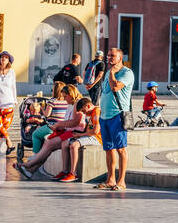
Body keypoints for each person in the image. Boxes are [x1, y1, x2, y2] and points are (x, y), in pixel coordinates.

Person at [16, 92, 91, 181]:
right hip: (68, 131)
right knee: (48, 143)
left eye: (65, 96)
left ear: (71, 94)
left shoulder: (77, 105)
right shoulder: (71, 104)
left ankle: (30, 165)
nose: (64, 98)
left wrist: (59, 124)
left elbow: (75, 122)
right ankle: (32, 169)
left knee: (49, 144)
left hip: (72, 132)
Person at [96, 46, 134, 191]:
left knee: (121, 149)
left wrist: (112, 73)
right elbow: (105, 92)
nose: (109, 58)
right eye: (108, 55)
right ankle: (110, 179)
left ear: (120, 58)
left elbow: (115, 87)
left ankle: (121, 180)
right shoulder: (107, 73)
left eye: (112, 56)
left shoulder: (126, 73)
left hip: (117, 115)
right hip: (105, 115)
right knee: (109, 149)